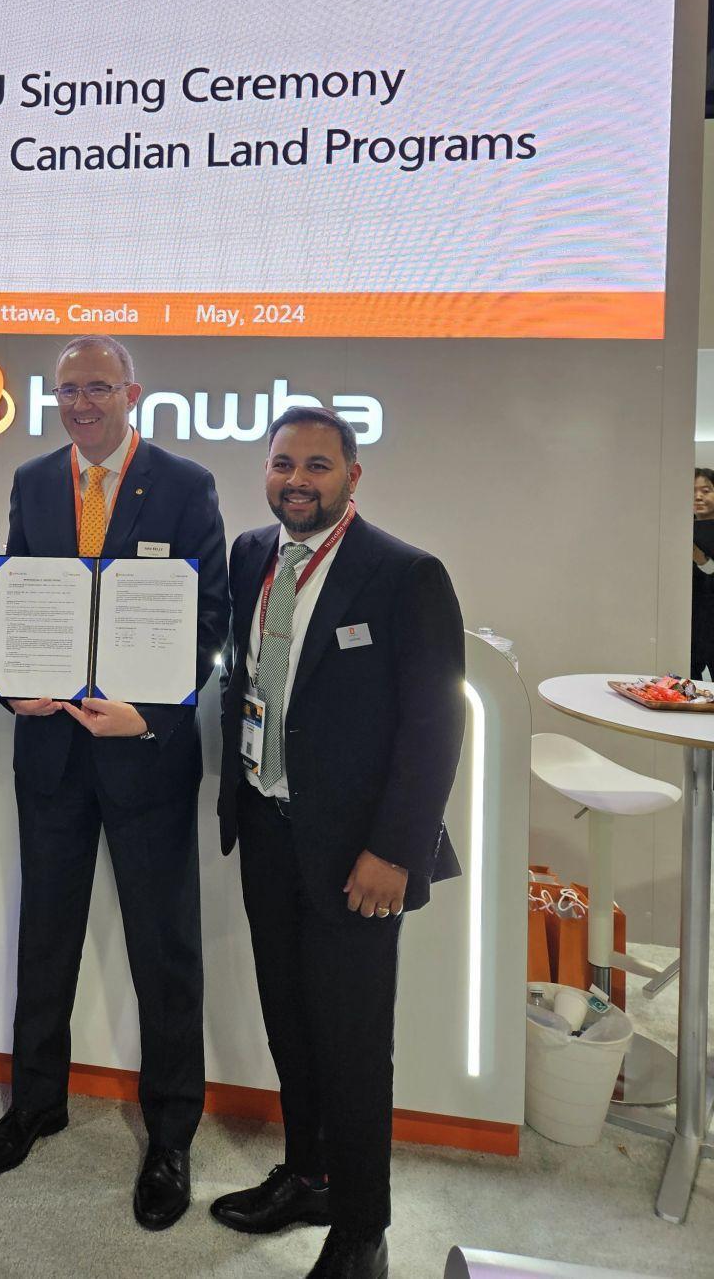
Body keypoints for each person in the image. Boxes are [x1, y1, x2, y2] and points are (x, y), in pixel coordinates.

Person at [0, 336, 228, 1231]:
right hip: (52, 756)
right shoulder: (36, 480)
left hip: (144, 754)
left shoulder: (184, 485)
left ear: (132, 393)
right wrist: (12, 679)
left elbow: (210, 618)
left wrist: (146, 715)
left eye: (98, 388)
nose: (81, 403)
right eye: (68, 389)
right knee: (45, 938)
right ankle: (36, 1104)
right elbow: (22, 598)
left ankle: (171, 1134)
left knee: (165, 950)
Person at [212, 405, 465, 1279]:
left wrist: (396, 851)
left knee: (353, 1044)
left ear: (352, 476)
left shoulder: (403, 573)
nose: (297, 481)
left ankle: (362, 1229)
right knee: (290, 1023)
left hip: (358, 854)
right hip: (267, 827)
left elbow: (434, 724)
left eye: (317, 466)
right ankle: (308, 1175)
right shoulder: (251, 554)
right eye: (283, 463)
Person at [691, 467, 714, 678]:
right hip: (692, 619)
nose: (698, 496)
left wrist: (702, 560)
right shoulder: (678, 526)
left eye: (706, 490)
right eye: (692, 491)